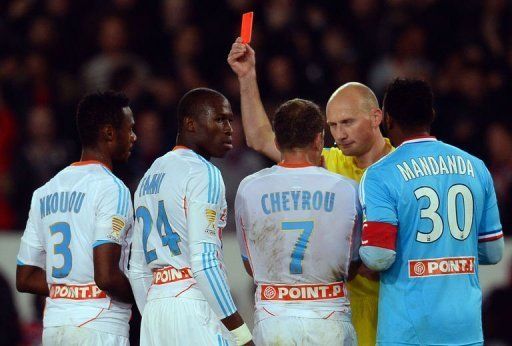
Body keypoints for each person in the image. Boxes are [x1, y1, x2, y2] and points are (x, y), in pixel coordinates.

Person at [227, 37, 391, 345]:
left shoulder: (399, 169)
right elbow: (263, 139)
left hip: (388, 307)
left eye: (347, 122)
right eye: (332, 126)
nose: (339, 135)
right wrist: (247, 77)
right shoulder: (328, 165)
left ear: (375, 117)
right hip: (334, 307)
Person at [359, 78, 504, 345]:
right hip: (465, 328)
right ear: (432, 115)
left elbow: (379, 257)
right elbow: (493, 251)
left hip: (408, 331)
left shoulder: (380, 174)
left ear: (387, 119)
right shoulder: (476, 167)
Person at [129, 88, 253, 346]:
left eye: (230, 120)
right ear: (190, 123)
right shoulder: (202, 172)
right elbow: (204, 261)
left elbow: (137, 269)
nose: (229, 128)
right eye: (220, 119)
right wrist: (242, 336)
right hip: (194, 302)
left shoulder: (149, 176)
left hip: (155, 310)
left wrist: (155, 312)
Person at [235, 98, 360, 345]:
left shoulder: (249, 188)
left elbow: (249, 265)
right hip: (329, 316)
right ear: (318, 139)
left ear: (277, 141)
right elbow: (353, 263)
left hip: (274, 317)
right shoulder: (347, 189)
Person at [16, 91, 137, 345]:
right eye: (130, 129)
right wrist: (145, 295)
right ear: (109, 133)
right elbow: (106, 276)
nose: (134, 137)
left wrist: (69, 289)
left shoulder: (45, 191)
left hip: (56, 328)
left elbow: (25, 277)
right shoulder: (111, 188)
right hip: (99, 326)